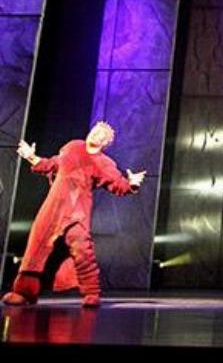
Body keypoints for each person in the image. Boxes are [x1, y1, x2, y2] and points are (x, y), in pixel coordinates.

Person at [2, 121, 146, 308]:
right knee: (36, 248)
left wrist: (132, 183)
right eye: (96, 131)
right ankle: (24, 292)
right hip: (53, 207)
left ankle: (91, 293)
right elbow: (52, 164)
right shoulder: (72, 147)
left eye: (102, 135)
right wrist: (31, 157)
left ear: (106, 143)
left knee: (82, 249)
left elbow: (118, 184)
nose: (96, 135)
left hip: (77, 211)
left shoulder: (104, 163)